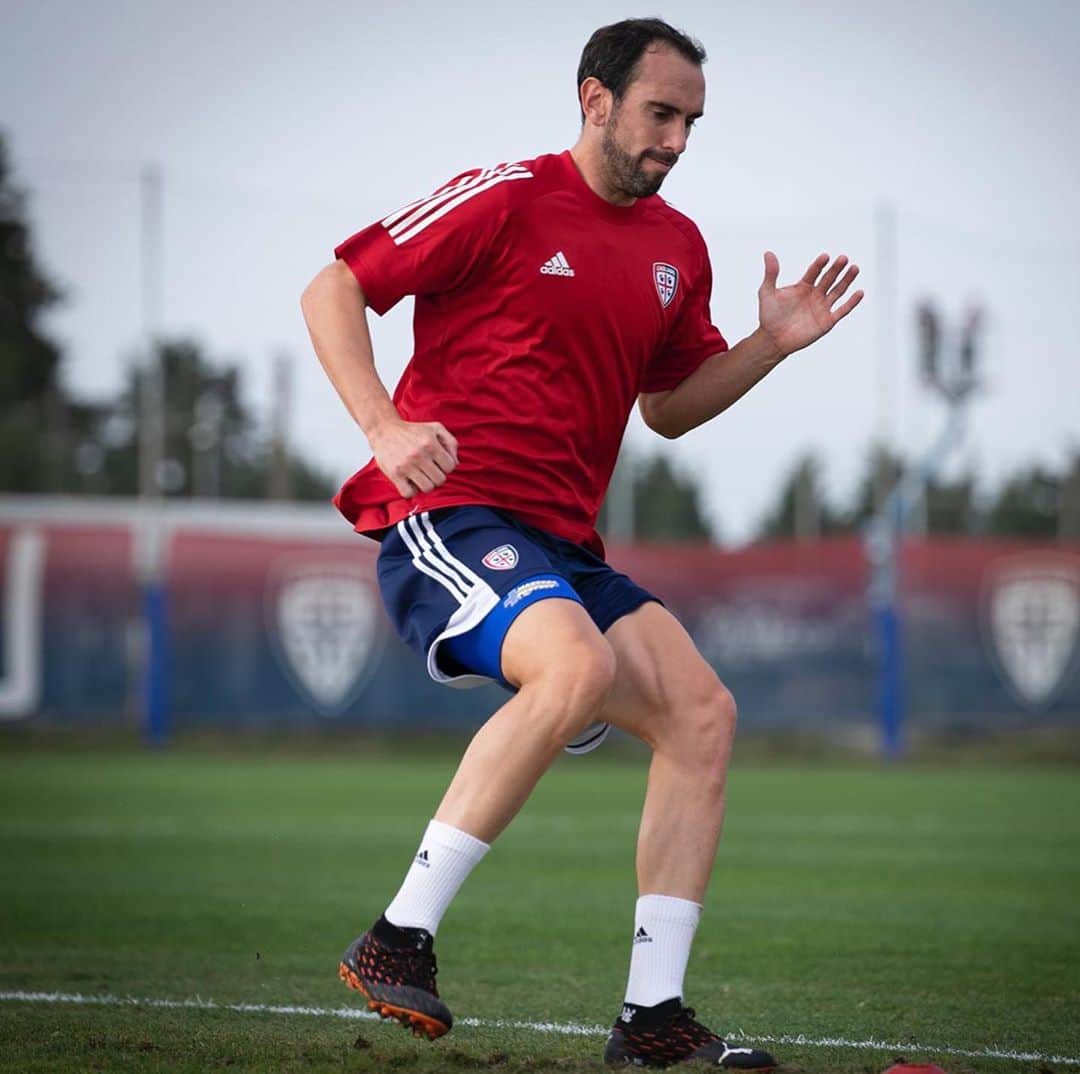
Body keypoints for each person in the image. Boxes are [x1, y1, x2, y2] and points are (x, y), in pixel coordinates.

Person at [301, 17, 862, 1070]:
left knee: (704, 715)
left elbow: (672, 409)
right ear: (594, 100)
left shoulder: (676, 247)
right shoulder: (504, 195)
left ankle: (653, 1017)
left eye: (692, 122)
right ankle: (396, 937)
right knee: (577, 665)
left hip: (564, 545)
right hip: (451, 513)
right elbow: (333, 287)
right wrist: (383, 426)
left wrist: (771, 346)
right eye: (661, 114)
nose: (677, 141)